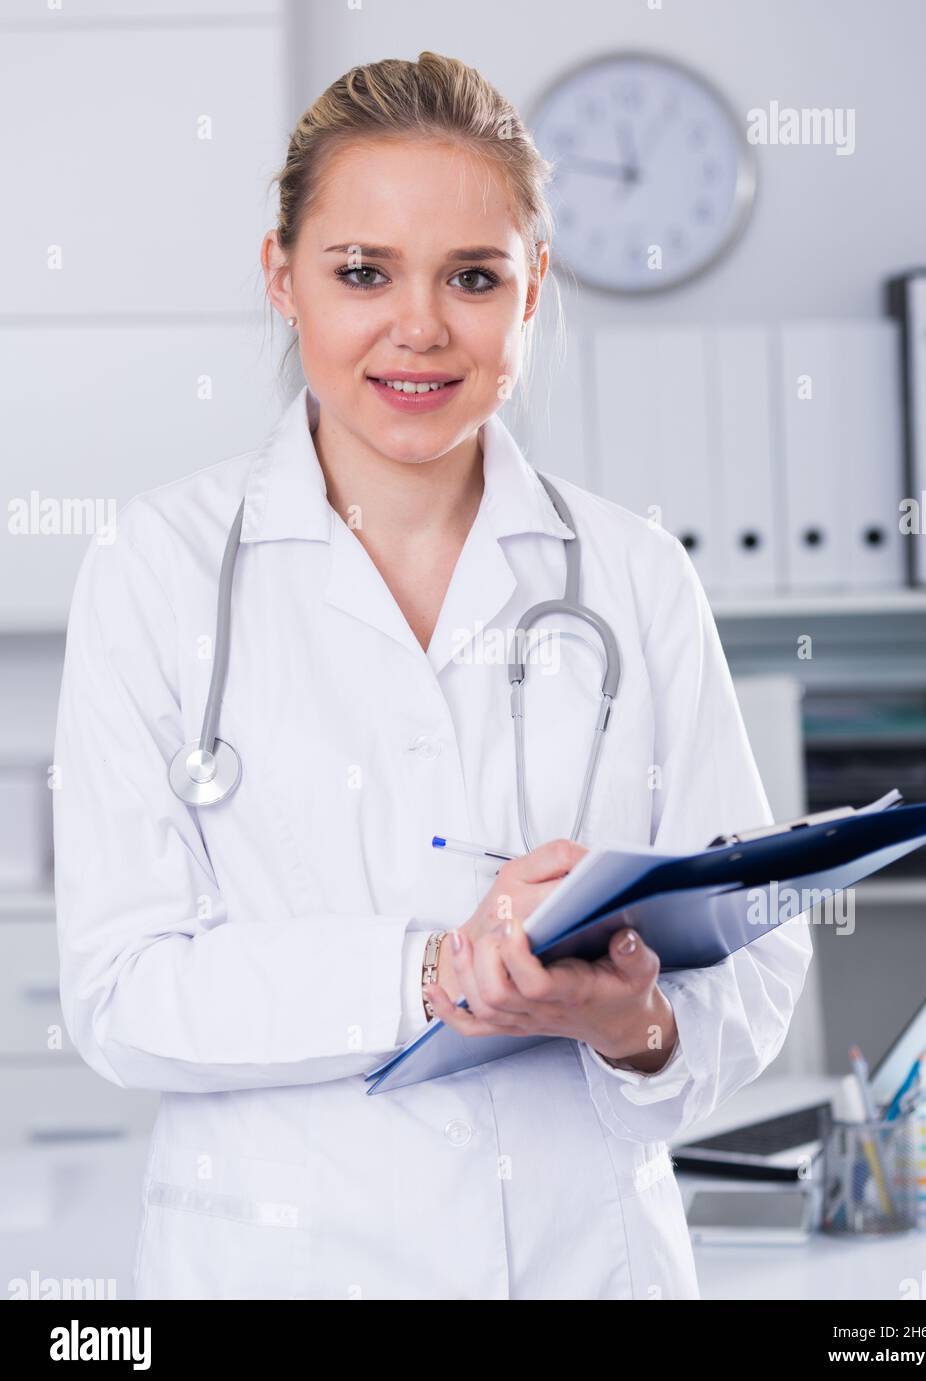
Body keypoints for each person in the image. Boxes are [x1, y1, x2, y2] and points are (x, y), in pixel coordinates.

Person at [53, 51, 812, 1300]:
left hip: (587, 1264)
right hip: (277, 1265)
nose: (418, 327)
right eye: (362, 273)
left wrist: (632, 1024)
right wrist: (435, 966)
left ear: (531, 292)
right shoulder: (158, 568)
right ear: (281, 278)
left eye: (472, 277)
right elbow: (122, 994)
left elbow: (755, 954)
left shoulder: (630, 573)